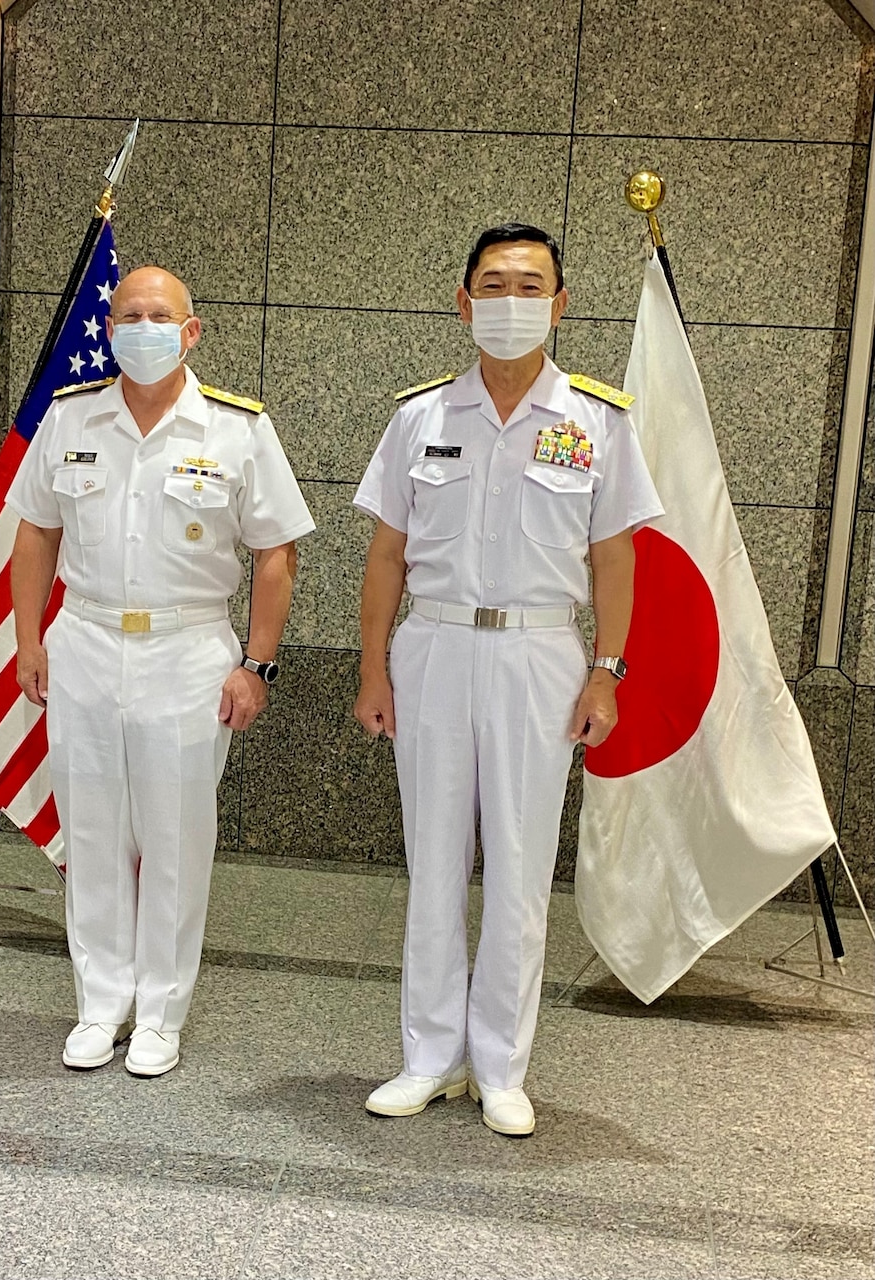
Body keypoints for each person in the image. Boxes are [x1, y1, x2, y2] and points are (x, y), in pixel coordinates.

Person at [352, 224, 662, 1135]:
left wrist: (605, 672)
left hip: (540, 655)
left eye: (532, 286)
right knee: (434, 861)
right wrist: (373, 668)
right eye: (494, 285)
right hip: (436, 648)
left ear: (562, 305)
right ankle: (428, 1058)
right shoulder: (420, 417)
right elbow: (385, 556)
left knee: (522, 868)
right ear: (463, 302)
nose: (512, 302)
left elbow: (614, 559)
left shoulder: (597, 422)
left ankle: (501, 1067)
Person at [7, 266, 315, 1077]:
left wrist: (258, 664)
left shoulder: (235, 430)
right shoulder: (72, 418)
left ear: (192, 330)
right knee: (95, 830)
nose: (142, 327)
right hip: (84, 641)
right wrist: (29, 640)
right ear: (110, 329)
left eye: (159, 315)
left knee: (177, 836)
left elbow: (276, 554)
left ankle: (161, 1014)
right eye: (128, 314)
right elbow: (36, 532)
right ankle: (101, 1004)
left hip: (187, 651)